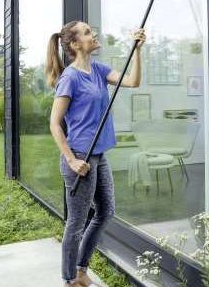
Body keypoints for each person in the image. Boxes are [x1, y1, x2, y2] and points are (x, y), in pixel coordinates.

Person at [45, 20, 146, 287]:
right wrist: (71, 159)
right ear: (75, 44)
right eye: (88, 32)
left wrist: (136, 49)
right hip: (79, 156)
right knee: (76, 223)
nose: (95, 34)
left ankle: (81, 269)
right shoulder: (70, 77)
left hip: (99, 155)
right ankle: (69, 280)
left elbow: (132, 81)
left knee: (106, 211)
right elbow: (55, 123)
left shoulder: (98, 70)